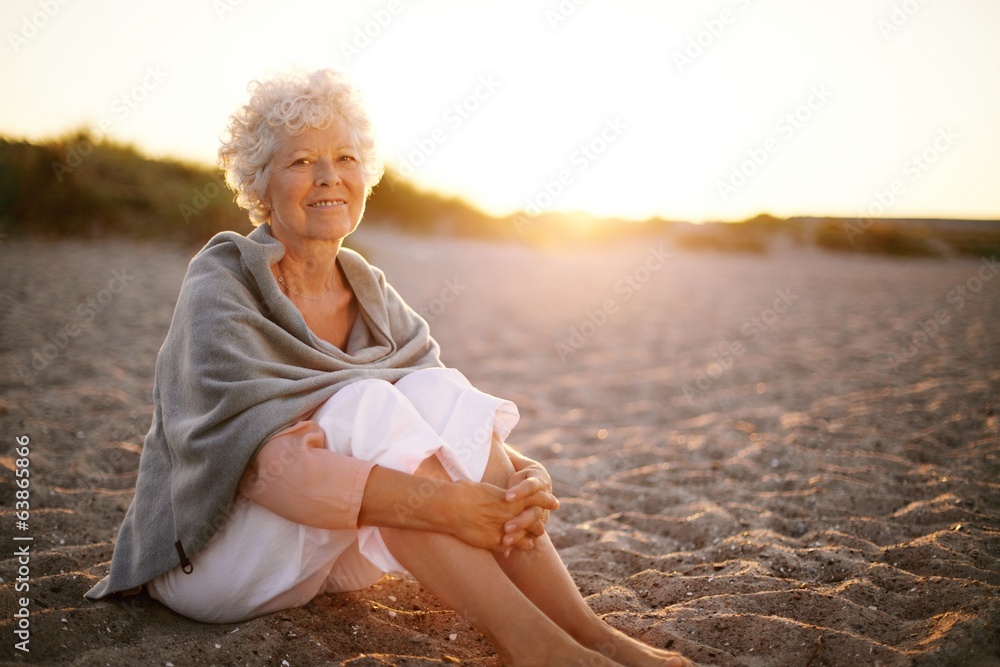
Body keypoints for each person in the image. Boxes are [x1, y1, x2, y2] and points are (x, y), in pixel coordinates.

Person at [86, 68, 691, 667]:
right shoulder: (222, 285)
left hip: (324, 560)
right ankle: (533, 647)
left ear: (366, 177)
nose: (329, 178)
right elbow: (263, 471)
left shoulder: (370, 290)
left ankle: (590, 634)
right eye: (301, 162)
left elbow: (452, 428)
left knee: (431, 388)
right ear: (259, 182)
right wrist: (448, 506)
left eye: (345, 158)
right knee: (366, 406)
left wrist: (528, 480)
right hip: (210, 561)